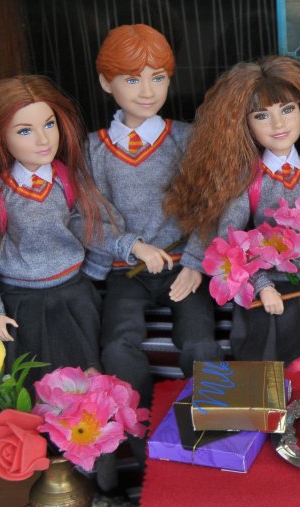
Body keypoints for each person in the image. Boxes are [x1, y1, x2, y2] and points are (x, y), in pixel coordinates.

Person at [0, 75, 171, 383]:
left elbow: (88, 226)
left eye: (49, 125)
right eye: (24, 131)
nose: (43, 140)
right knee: (38, 381)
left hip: (75, 295)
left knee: (89, 379)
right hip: (23, 302)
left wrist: (132, 246)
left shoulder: (67, 180)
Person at [166, 56, 300, 373]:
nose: (279, 124)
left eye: (287, 110)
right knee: (295, 360)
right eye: (262, 115)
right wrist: (262, 285)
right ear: (246, 125)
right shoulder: (251, 182)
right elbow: (229, 242)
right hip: (273, 287)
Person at [87, 24, 222, 411]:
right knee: (117, 344)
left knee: (199, 342)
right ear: (106, 82)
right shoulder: (93, 149)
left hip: (182, 267)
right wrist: (133, 246)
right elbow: (87, 218)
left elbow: (212, 206)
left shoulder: (187, 139)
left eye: (158, 78)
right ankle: (139, 424)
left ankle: (213, 423)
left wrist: (195, 262)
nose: (147, 91)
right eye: (132, 79)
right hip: (126, 271)